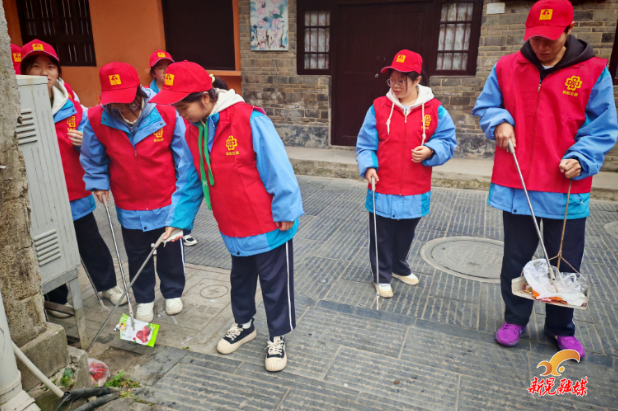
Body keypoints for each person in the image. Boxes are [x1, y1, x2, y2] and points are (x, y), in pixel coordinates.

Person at [472, 0, 618, 358]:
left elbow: (602, 127)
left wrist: (582, 157)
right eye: (536, 38)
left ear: (569, 31)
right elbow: (486, 105)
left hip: (565, 186)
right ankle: (515, 319)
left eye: (550, 39)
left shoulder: (594, 71)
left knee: (564, 263)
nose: (542, 46)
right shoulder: (507, 67)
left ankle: (560, 328)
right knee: (515, 259)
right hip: (518, 183)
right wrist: (499, 121)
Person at [151, 61, 303, 372]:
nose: (180, 113)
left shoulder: (249, 119)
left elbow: (277, 166)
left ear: (205, 98)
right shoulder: (193, 130)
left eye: (183, 106)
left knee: (274, 283)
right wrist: (178, 219)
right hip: (232, 224)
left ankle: (278, 335)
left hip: (268, 222)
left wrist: (286, 208)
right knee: (240, 279)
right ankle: (245, 324)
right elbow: (190, 179)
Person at [20, 39, 123, 317]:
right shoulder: (16, 109)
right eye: (36, 67)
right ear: (24, 71)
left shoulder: (74, 109)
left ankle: (108, 285)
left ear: (58, 72)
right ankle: (57, 297)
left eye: (50, 67)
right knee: (48, 246)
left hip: (74, 192)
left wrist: (84, 144)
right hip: (39, 196)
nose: (44, 73)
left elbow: (96, 149)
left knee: (90, 241)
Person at [80, 61, 188, 322]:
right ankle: (144, 298)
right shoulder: (96, 118)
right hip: (129, 200)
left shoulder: (166, 112)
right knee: (138, 253)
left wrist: (184, 194)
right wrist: (98, 181)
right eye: (114, 102)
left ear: (139, 90)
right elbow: (93, 156)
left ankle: (173, 292)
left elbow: (184, 156)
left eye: (127, 100)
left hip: (166, 197)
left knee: (170, 250)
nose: (122, 108)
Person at [356, 50, 457, 299]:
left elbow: (448, 140)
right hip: (383, 183)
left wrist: (431, 149)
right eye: (392, 79)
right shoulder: (378, 107)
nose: (396, 85)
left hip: (416, 185)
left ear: (417, 79)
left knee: (406, 232)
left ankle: (399, 266)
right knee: (382, 235)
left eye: (402, 80)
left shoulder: (435, 110)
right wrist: (369, 166)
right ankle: (381, 276)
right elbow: (365, 144)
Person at [146, 50, 198, 248]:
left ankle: (183, 229)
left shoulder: (250, 120)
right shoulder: (151, 97)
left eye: (169, 67)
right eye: (161, 68)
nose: (165, 72)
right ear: (153, 73)